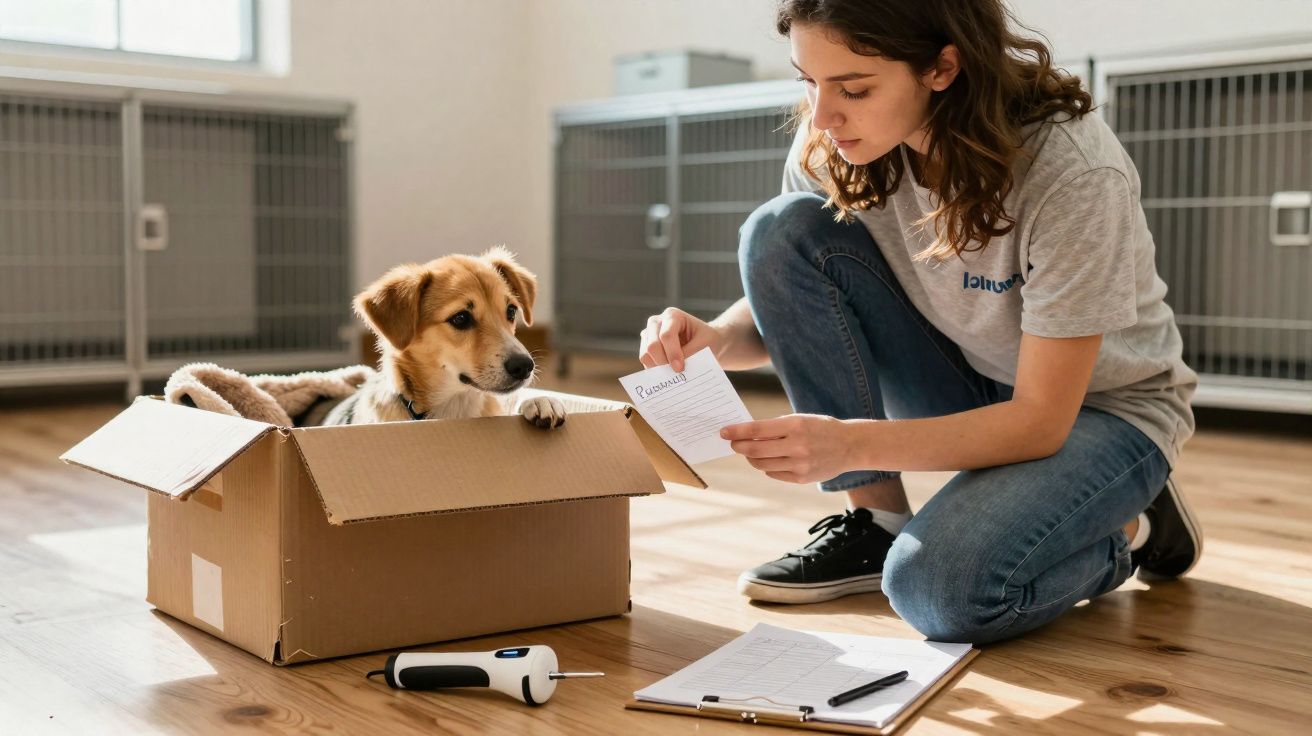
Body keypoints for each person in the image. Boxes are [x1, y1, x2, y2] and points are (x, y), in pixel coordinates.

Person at [636, 0, 1202, 644]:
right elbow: (803, 303)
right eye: (809, 82)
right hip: (963, 371)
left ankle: (1134, 528)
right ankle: (875, 525)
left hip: (1098, 412)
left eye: (853, 88)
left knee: (942, 593)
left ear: (941, 67)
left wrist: (850, 442)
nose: (822, 115)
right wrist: (714, 339)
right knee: (779, 228)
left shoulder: (1070, 171)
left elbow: (1041, 422)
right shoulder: (839, 138)